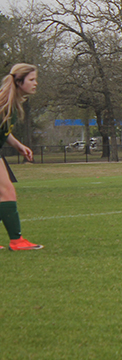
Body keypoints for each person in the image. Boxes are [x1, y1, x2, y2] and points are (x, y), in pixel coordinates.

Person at [0, 64, 42, 250]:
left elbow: (3, 132)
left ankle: (17, 241)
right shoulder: (3, 103)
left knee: (5, 192)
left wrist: (18, 145)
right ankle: (17, 241)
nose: (36, 83)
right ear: (19, 81)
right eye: (32, 80)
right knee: (7, 191)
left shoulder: (12, 104)